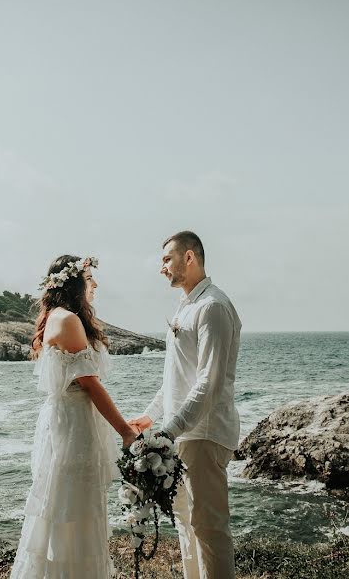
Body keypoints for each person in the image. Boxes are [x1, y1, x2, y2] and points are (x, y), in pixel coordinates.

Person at [10, 254, 138, 579]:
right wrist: (125, 431)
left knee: (63, 508)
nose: (94, 284)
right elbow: (90, 385)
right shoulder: (67, 320)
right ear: (75, 283)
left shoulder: (58, 316)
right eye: (89, 278)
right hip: (73, 429)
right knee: (74, 510)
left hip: (65, 424)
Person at [130, 231, 242, 579]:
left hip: (204, 433)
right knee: (184, 524)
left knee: (209, 529)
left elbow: (207, 383)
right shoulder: (188, 304)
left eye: (167, 259)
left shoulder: (213, 307)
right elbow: (176, 378)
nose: (162, 267)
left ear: (189, 257)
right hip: (181, 435)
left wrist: (170, 429)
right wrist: (151, 418)